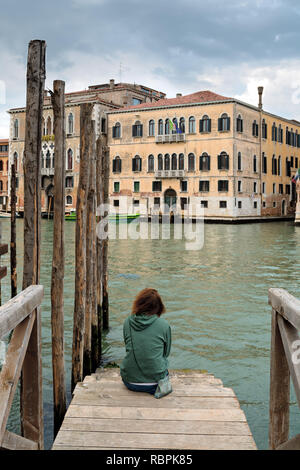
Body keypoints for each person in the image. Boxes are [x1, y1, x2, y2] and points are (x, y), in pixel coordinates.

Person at [120, 288, 171, 395]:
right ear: (159, 307)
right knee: (164, 363)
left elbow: (128, 347)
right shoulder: (164, 325)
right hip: (156, 383)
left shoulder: (127, 322)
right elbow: (165, 354)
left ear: (138, 304)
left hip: (130, 382)